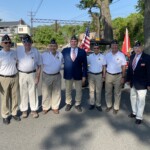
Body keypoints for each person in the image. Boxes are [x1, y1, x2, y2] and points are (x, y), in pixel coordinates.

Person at [16, 34, 42, 118]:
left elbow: (39, 65)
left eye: (29, 42)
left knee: (33, 92)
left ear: (31, 43)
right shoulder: (18, 50)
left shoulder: (35, 51)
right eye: (25, 42)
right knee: (23, 93)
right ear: (23, 43)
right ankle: (24, 110)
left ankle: (34, 110)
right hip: (22, 74)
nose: (27, 44)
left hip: (32, 74)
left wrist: (37, 77)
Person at [126, 41, 150, 125]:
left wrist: (148, 84)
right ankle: (134, 112)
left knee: (141, 100)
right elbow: (129, 69)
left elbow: (149, 72)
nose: (137, 49)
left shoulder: (147, 57)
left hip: (142, 84)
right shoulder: (132, 56)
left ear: (142, 48)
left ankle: (139, 117)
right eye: (135, 48)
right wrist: (128, 79)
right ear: (134, 49)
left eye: (139, 48)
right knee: (133, 97)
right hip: (133, 82)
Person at [62, 35, 87, 112]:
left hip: (78, 75)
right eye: (72, 41)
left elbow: (85, 65)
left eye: (75, 41)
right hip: (68, 74)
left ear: (77, 42)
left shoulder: (82, 52)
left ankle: (77, 104)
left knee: (79, 90)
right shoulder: (64, 51)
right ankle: (68, 103)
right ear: (70, 42)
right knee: (68, 90)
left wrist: (84, 76)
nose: (73, 43)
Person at [0, 34, 20, 125]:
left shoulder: (14, 52)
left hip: (14, 77)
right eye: (6, 42)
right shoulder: (0, 54)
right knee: (4, 98)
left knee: (14, 97)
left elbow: (17, 63)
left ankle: (14, 113)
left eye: (9, 42)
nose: (8, 44)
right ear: (2, 43)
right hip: (4, 78)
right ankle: (5, 115)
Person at [42, 39, 63, 114]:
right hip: (47, 76)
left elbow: (62, 64)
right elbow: (39, 64)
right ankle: (45, 107)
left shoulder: (60, 55)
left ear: (57, 47)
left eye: (54, 46)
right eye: (51, 46)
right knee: (46, 92)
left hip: (57, 76)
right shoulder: (44, 55)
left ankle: (55, 107)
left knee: (56, 92)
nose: (52, 47)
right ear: (48, 47)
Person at [105, 39, 126, 114]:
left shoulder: (121, 55)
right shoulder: (107, 55)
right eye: (113, 45)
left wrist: (123, 77)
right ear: (111, 46)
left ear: (117, 46)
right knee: (108, 92)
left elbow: (123, 66)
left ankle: (116, 107)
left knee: (117, 93)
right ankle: (109, 105)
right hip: (109, 75)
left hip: (118, 76)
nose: (114, 46)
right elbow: (104, 65)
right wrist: (104, 75)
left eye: (116, 45)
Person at [87, 43, 106, 111]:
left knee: (98, 91)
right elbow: (86, 64)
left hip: (99, 75)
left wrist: (104, 76)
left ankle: (98, 104)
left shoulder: (102, 56)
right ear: (93, 49)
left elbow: (104, 67)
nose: (96, 49)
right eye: (94, 48)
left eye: (97, 48)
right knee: (91, 91)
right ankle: (92, 104)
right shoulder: (89, 56)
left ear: (99, 49)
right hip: (91, 75)